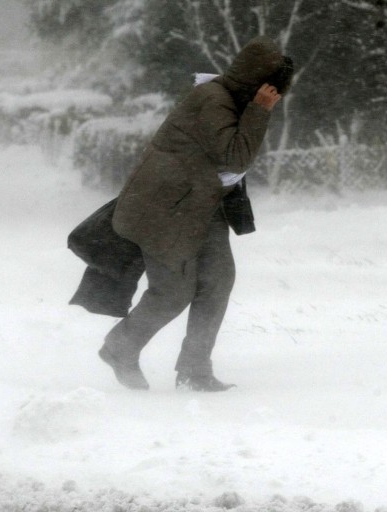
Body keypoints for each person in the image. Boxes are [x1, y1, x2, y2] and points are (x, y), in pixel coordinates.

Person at [98, 36, 292, 392]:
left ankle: (194, 369)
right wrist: (259, 111)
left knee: (217, 281)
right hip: (164, 211)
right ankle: (119, 348)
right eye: (271, 92)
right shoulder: (213, 101)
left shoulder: (228, 98)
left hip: (200, 207)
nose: (273, 99)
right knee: (172, 292)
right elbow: (236, 156)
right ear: (256, 83)